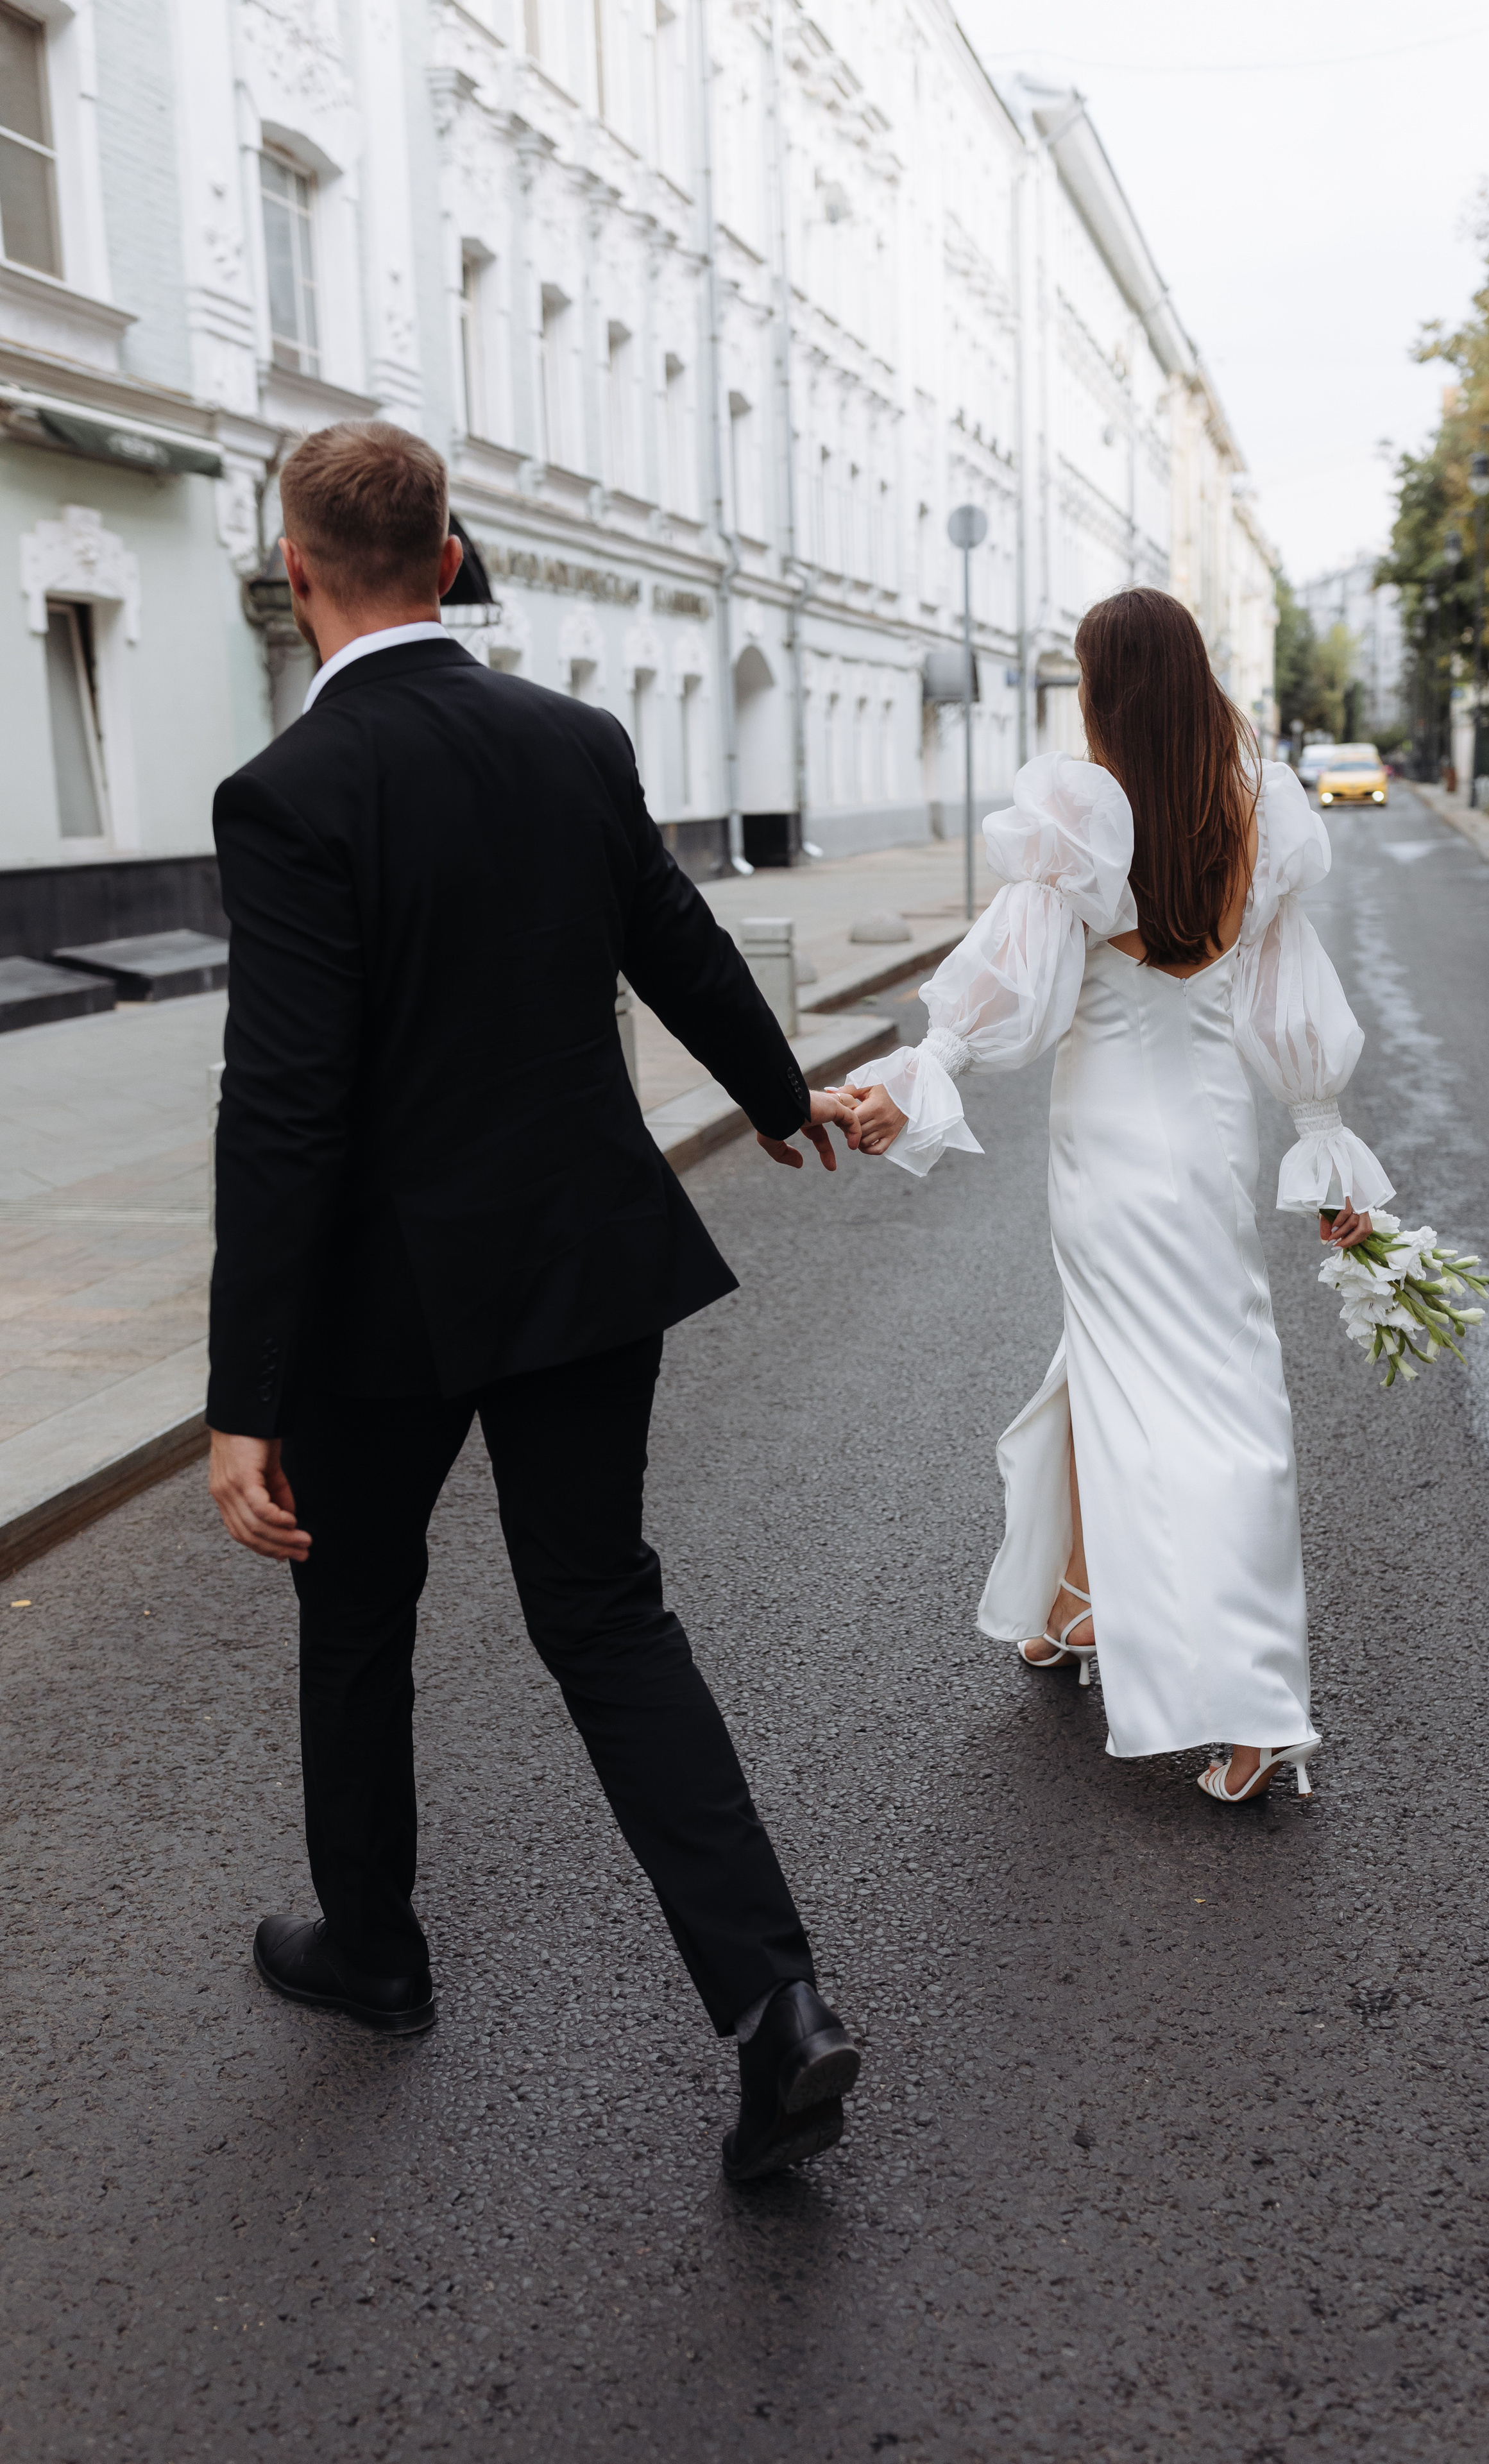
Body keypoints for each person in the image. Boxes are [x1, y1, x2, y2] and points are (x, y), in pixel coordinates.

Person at [205, 420, 861, 2184]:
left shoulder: (289, 795)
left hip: (378, 1309)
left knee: (353, 1624)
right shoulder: (573, 741)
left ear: (297, 568)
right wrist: (785, 1099)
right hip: (582, 1262)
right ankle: (775, 2005)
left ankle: (378, 1954)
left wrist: (242, 1395)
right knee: (605, 1615)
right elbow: (681, 939)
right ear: (448, 555)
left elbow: (283, 1106)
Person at [840, 587, 1392, 1804]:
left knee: (1207, 1415)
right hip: (1207, 1143)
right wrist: (1322, 1140)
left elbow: (1014, 990)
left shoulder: (1086, 820)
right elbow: (1288, 1001)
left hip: (1104, 1154)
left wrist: (925, 1069)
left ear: (1104, 692)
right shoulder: (1251, 820)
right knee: (1146, 1367)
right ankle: (1074, 1605)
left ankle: (1253, 1708)